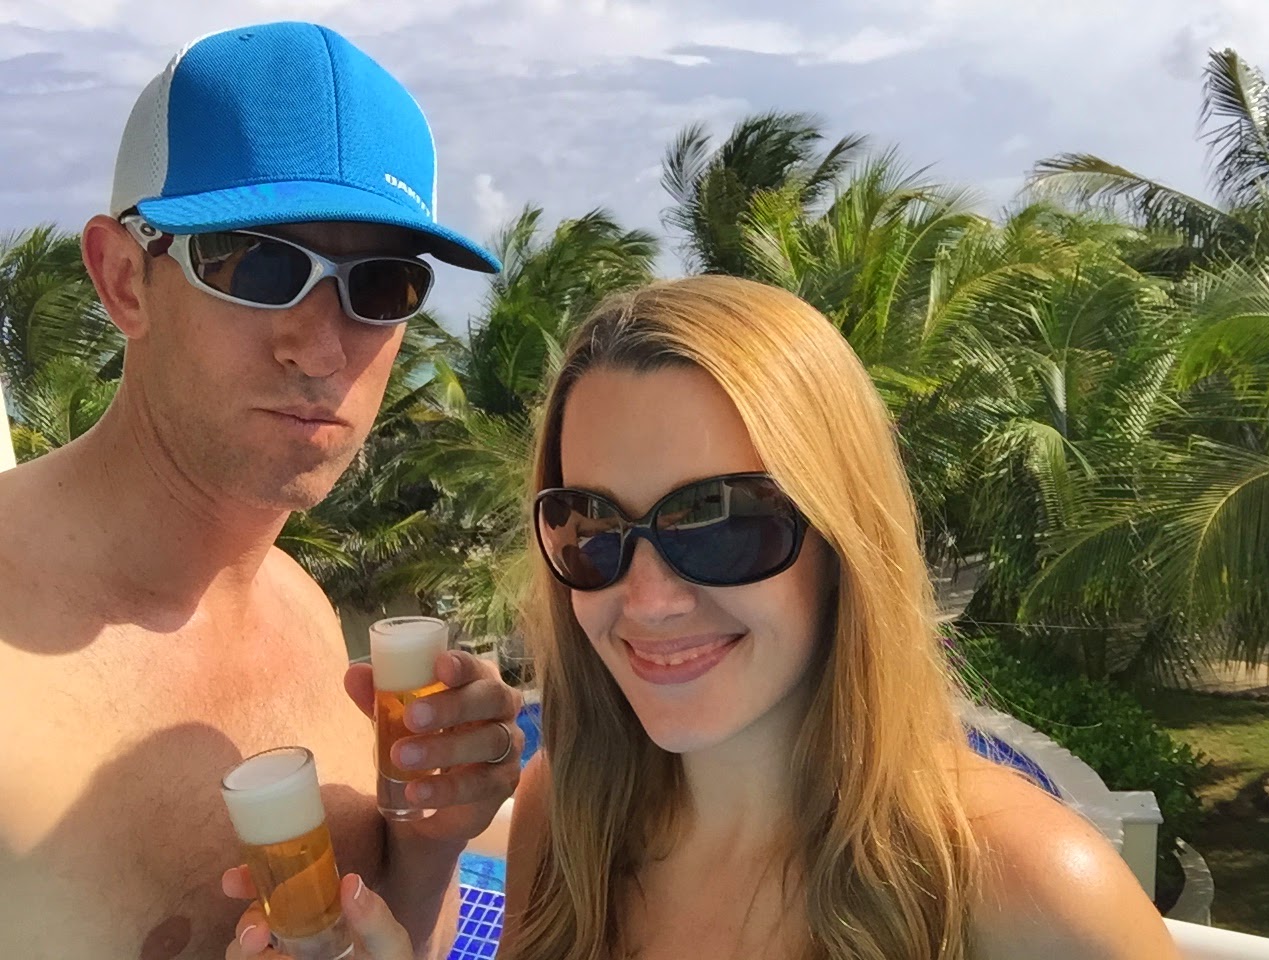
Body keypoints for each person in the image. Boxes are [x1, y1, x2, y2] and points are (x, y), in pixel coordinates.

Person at [232, 275, 1182, 959]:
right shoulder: (573, 812)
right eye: (592, 527)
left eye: (720, 524)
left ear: (844, 536)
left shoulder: (1026, 886)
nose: (649, 600)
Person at [0, 21, 522, 960]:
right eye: (257, 266)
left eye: (382, 285)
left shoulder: (309, 620)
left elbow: (396, 938)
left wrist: (430, 843)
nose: (322, 350)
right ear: (124, 279)